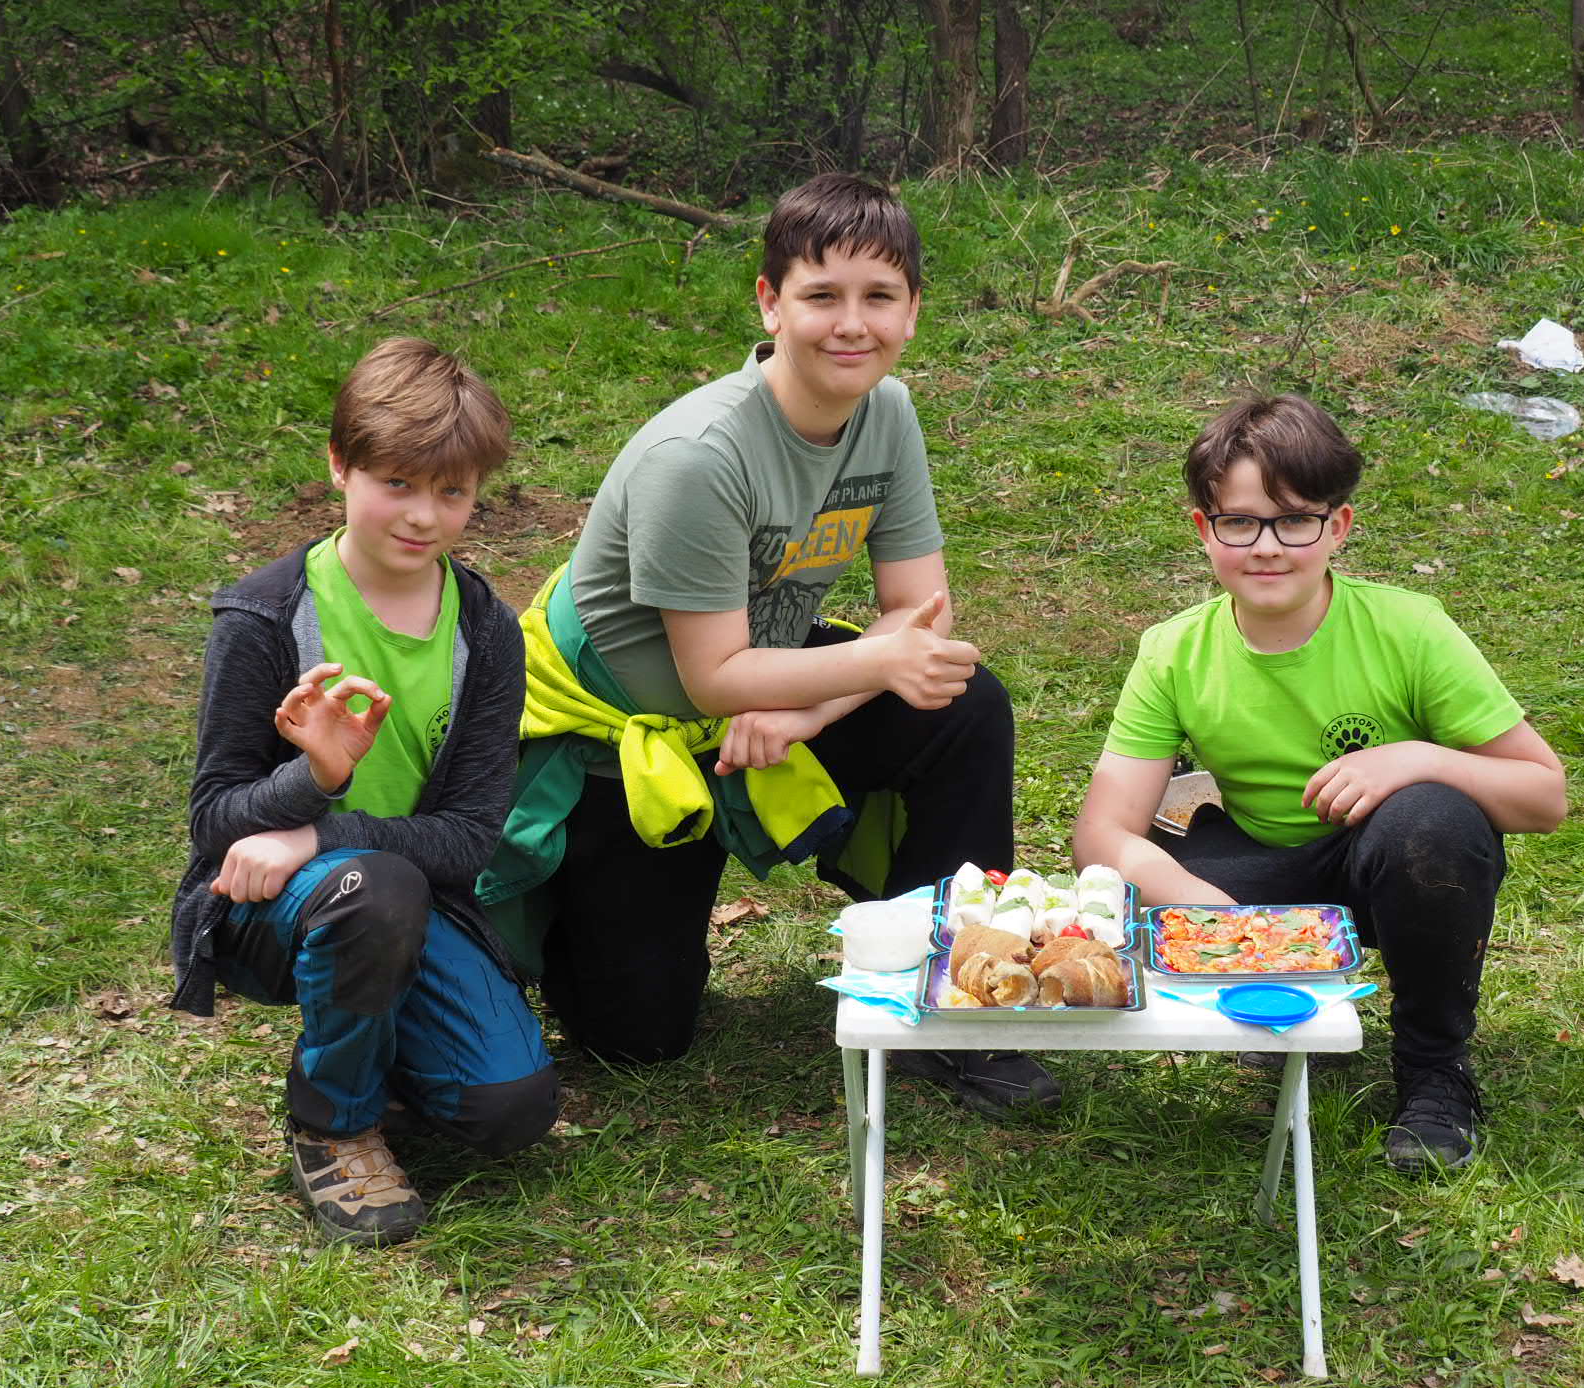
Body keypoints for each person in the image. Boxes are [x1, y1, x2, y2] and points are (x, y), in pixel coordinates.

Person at [481, 173, 1057, 1119]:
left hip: (761, 683)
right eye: (821, 295)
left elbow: (918, 611)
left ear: (913, 310)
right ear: (770, 302)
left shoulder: (888, 412)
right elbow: (714, 677)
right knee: (637, 1036)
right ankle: (547, 920)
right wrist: (855, 670)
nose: (851, 324)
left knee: (963, 703)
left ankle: (958, 999)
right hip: (625, 737)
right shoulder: (698, 456)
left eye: (879, 297)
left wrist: (808, 711)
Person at [1071, 393, 1565, 1171]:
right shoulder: (1173, 651)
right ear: (1204, 530)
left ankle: (1434, 1068)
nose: (1268, 547)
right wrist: (1205, 907)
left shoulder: (1409, 628)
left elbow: (1544, 794)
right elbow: (1101, 834)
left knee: (1435, 821)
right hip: (1256, 873)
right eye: (1240, 522)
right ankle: (1275, 1003)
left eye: (1295, 520)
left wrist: (1418, 758)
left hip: (1384, 861)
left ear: (1338, 527)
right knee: (1145, 871)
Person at [170, 337, 560, 1245]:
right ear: (339, 465)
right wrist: (315, 775)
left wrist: (317, 830)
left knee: (510, 1109)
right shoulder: (265, 616)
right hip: (270, 908)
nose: (423, 515)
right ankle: (334, 1123)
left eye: (452, 492)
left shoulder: (488, 632)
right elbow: (214, 819)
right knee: (372, 888)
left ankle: (372, 1037)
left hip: (401, 892)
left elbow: (468, 840)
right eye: (397, 483)